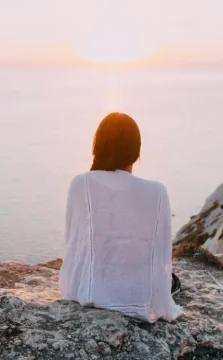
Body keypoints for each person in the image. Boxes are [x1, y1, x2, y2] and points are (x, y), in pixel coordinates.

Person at [59, 112, 182, 323]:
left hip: (89, 291)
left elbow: (73, 244)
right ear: (135, 152)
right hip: (138, 294)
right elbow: (161, 253)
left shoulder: (80, 184)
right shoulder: (158, 192)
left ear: (98, 146)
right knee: (171, 280)